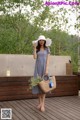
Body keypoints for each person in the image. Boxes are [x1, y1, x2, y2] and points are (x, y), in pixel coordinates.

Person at [32, 35, 52, 112]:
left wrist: (46, 70)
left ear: (44, 41)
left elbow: (48, 60)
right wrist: (34, 48)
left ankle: (43, 104)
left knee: (44, 87)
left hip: (44, 70)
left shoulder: (47, 49)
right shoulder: (37, 49)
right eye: (40, 40)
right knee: (38, 87)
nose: (41, 42)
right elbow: (34, 57)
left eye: (42, 40)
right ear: (38, 41)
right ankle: (39, 103)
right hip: (37, 70)